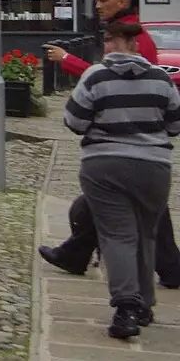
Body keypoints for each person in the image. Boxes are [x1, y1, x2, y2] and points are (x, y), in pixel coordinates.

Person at [40, 0, 175, 283]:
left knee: (106, 202)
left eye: (103, 0)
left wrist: (67, 60)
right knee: (139, 209)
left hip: (129, 140)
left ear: (121, 2)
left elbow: (113, 79)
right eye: (97, 0)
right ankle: (170, 268)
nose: (97, 5)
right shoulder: (124, 31)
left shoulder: (133, 35)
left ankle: (81, 259)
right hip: (138, 148)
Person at [63, 20, 180, 339]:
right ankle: (144, 304)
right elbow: (174, 125)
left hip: (105, 165)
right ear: (137, 46)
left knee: (117, 234)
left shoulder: (95, 76)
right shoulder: (161, 79)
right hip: (153, 167)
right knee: (146, 234)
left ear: (111, 44)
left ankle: (126, 306)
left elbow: (73, 121)